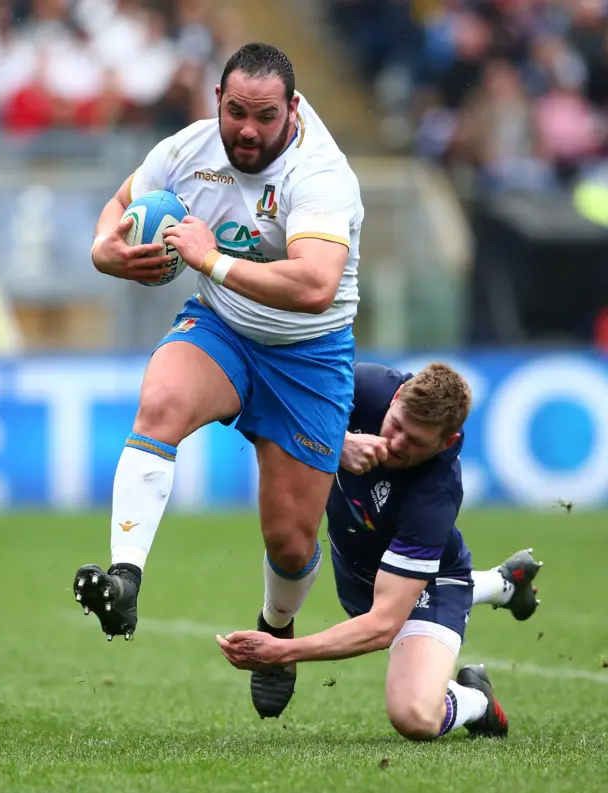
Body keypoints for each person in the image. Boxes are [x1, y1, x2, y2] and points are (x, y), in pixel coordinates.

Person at [72, 42, 364, 721]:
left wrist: (211, 259)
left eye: (264, 116)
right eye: (236, 112)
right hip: (222, 328)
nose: (248, 131)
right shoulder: (187, 149)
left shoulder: (320, 172)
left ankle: (277, 630)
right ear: (218, 104)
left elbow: (316, 285)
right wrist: (106, 252)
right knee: (162, 400)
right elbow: (117, 209)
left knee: (290, 540)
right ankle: (124, 577)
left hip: (308, 354)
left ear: (292, 110)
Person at [218, 362, 543, 738]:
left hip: (428, 584)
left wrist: (282, 653)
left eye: (416, 442)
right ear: (398, 396)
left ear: (446, 442)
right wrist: (335, 444)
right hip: (359, 568)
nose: (396, 444)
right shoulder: (361, 386)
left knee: (415, 717)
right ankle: (502, 584)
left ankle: (478, 701)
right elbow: (266, 402)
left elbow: (382, 625)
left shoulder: (434, 496)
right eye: (397, 425)